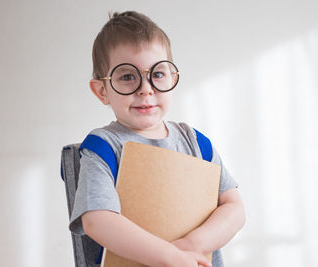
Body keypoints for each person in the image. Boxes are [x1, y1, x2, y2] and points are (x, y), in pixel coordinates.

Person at [69, 11, 245, 267]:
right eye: (128, 76)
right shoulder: (103, 147)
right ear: (102, 91)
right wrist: (171, 257)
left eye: (158, 74)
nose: (146, 88)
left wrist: (190, 246)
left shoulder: (196, 143)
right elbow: (97, 220)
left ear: (173, 78)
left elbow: (234, 208)